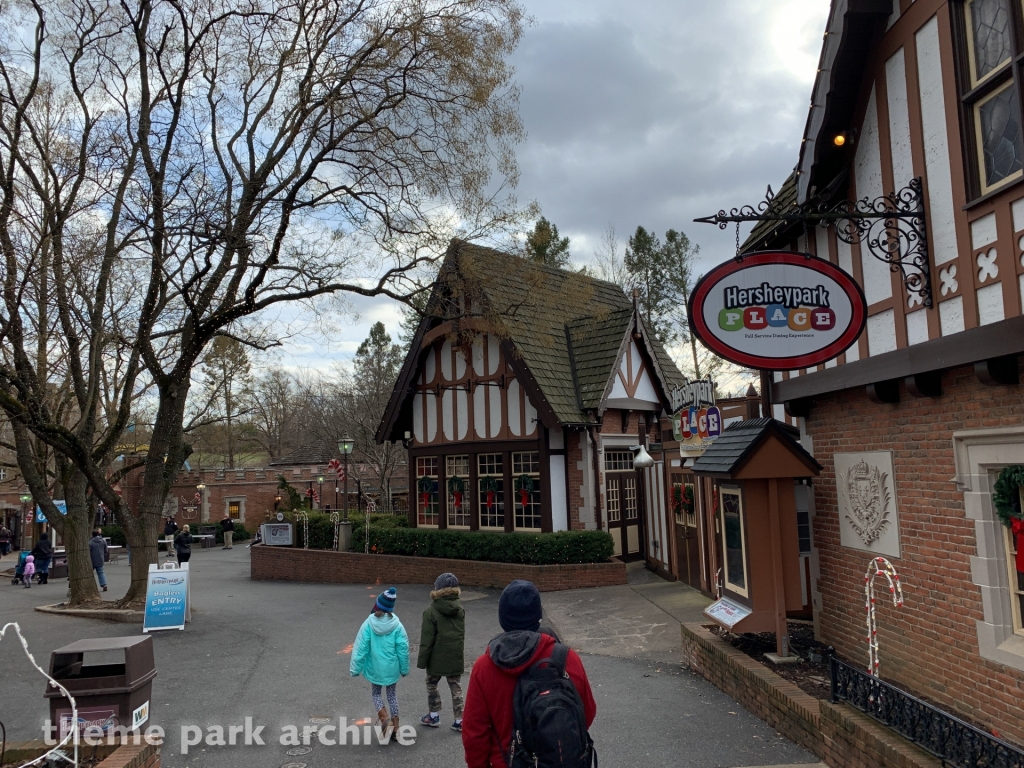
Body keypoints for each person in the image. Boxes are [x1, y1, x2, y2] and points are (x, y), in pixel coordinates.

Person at [462, 580, 597, 768]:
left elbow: (475, 735)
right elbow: (587, 713)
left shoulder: (485, 667)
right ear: (538, 616)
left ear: (503, 618)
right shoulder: (567, 658)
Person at [350, 587, 409, 741]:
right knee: (392, 696)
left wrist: (355, 668)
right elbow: (403, 648)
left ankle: (384, 718)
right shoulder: (397, 625)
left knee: (376, 694)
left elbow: (361, 647)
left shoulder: (368, 623)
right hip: (392, 668)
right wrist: (404, 668)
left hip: (375, 668)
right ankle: (396, 728)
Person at [417, 572, 466, 732]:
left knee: (432, 684)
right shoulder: (460, 610)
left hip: (436, 657)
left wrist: (422, 661)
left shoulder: (430, 612)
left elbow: (427, 640)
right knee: (455, 686)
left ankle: (433, 715)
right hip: (454, 654)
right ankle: (459, 719)